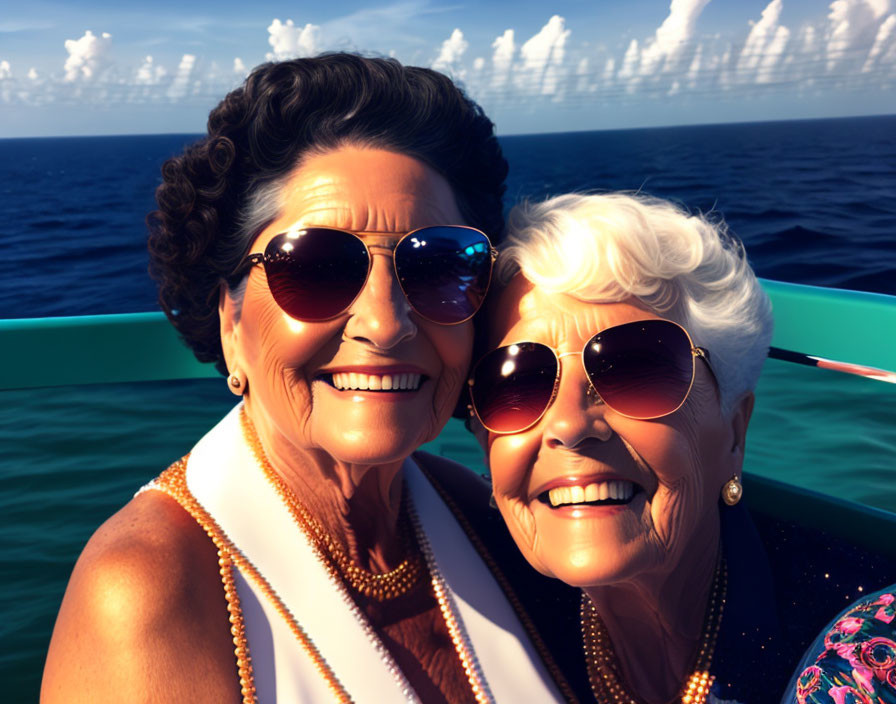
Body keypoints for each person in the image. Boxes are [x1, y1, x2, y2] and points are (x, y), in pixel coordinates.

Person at [40, 55, 583, 704]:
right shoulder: (147, 592)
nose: (385, 323)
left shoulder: (486, 517)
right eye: (318, 267)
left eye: (440, 265)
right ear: (230, 320)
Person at [466, 192, 896, 702]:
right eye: (517, 384)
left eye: (639, 371)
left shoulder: (857, 659)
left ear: (734, 433)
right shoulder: (480, 603)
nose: (569, 425)